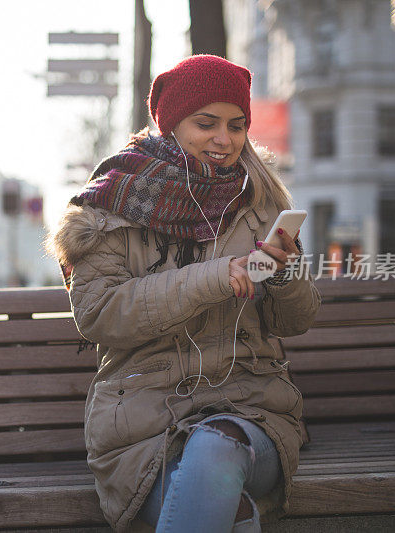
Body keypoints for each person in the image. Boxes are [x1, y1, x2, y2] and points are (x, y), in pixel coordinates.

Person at [47, 55, 321, 532]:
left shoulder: (262, 204)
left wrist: (282, 273)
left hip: (251, 413)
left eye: (236, 125)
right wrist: (216, 276)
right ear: (172, 124)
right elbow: (100, 315)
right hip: (143, 426)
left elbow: (295, 321)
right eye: (206, 123)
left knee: (216, 445)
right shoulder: (108, 207)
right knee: (231, 512)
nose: (225, 139)